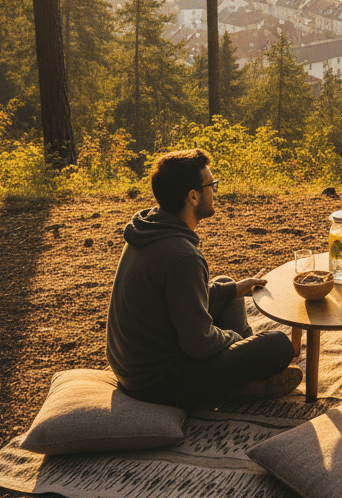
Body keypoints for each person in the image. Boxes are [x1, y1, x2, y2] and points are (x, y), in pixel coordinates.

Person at [106, 149, 300, 406]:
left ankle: (246, 374)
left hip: (136, 365)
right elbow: (199, 343)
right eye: (212, 184)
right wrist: (240, 342)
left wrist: (232, 289)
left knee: (226, 287)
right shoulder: (182, 256)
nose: (215, 191)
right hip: (158, 382)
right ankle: (243, 383)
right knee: (277, 345)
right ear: (193, 196)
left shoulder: (149, 229)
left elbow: (180, 298)